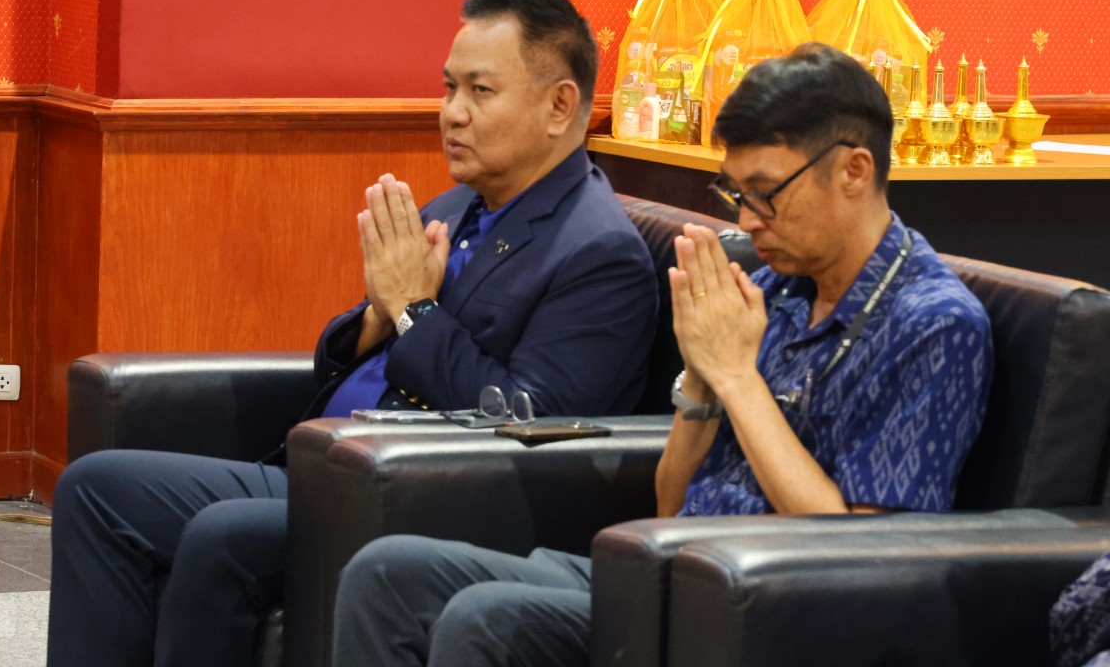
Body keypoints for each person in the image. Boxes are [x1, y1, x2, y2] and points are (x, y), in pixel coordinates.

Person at [46, 0, 658, 667]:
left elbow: (532, 424)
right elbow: (346, 354)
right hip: (323, 462)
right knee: (95, 490)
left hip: (412, 495)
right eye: (448, 87)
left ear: (559, 105)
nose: (452, 113)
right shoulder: (455, 207)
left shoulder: (597, 253)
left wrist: (414, 309)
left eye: (480, 91)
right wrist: (378, 315)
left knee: (224, 535)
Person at [331, 43, 995, 666]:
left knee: (486, 618)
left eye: (766, 193)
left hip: (761, 610)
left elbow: (858, 559)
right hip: (673, 566)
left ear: (854, 171)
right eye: (735, 195)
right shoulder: (773, 291)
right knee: (387, 575)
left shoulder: (934, 324)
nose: (747, 221)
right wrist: (701, 382)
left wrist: (736, 378)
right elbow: (671, 504)